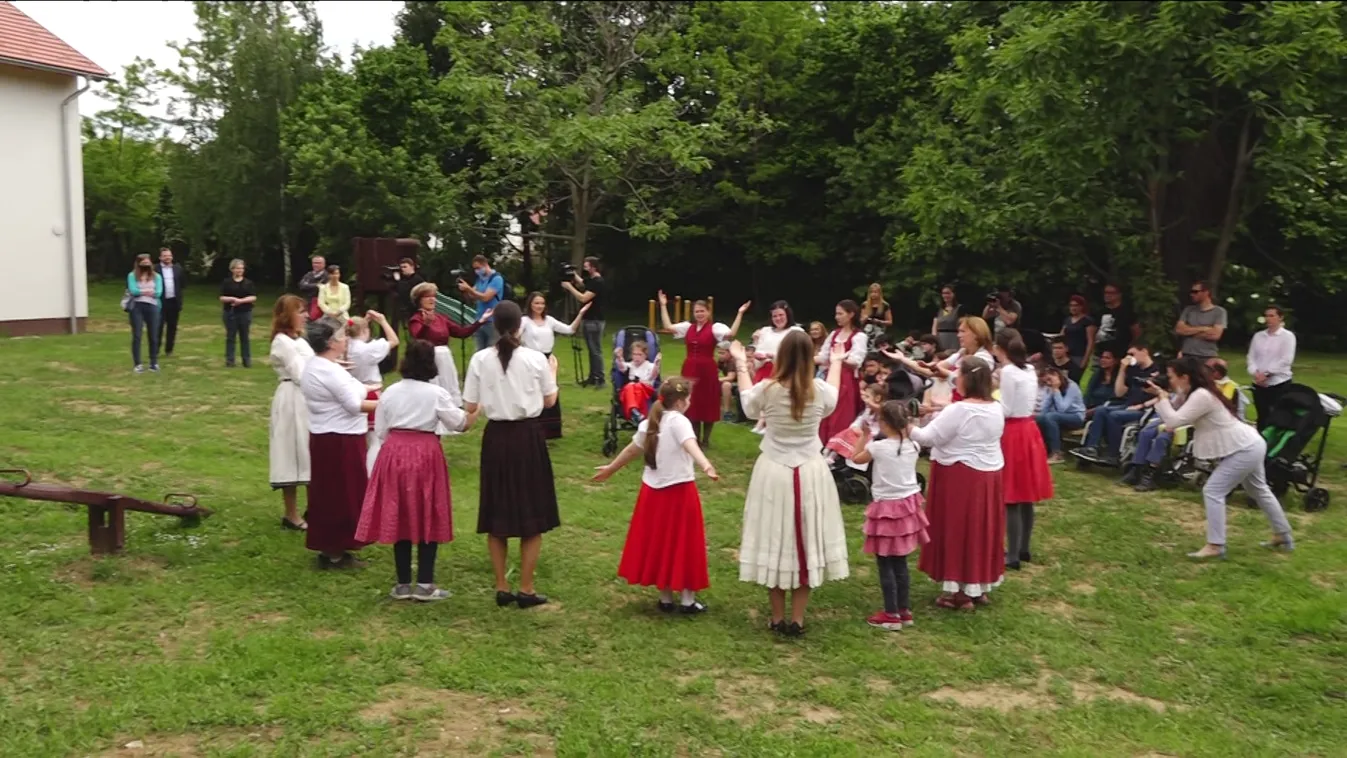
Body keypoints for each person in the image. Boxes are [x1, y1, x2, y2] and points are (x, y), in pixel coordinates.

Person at [730, 331, 850, 637]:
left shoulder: (769, 389)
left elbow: (746, 405)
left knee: (775, 536)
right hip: (809, 470)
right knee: (805, 539)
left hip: (774, 470)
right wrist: (836, 360)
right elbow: (834, 393)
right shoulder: (818, 390)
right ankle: (797, 619)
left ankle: (777, 617)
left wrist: (741, 363)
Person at [357, 340, 478, 602]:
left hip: (394, 451)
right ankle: (424, 583)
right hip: (425, 453)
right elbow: (459, 424)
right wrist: (475, 412)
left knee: (399, 513)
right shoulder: (436, 394)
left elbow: (380, 429)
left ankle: (402, 584)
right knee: (427, 513)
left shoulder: (390, 392)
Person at [1143, 357, 1294, 559]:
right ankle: (1282, 534)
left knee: (1213, 491)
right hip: (1248, 443)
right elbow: (1175, 411)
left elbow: (1173, 421)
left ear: (1184, 377)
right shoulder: (1192, 392)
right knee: (1258, 489)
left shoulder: (1201, 395)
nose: (1168, 379)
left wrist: (1161, 398)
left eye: (1170, 376)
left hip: (1244, 447)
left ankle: (1216, 545)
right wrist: (1164, 394)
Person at [462, 301, 560, 609]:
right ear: (520, 327)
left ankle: (502, 586)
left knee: (497, 513)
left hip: (497, 437)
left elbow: (469, 406)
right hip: (527, 436)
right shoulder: (534, 359)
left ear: (495, 326)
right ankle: (526, 588)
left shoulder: (480, 359)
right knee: (532, 513)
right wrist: (553, 373)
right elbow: (548, 401)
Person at [592, 377, 719, 614]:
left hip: (652, 493)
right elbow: (690, 444)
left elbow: (632, 450)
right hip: (680, 492)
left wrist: (611, 468)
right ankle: (688, 600)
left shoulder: (650, 422)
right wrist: (705, 464)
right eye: (689, 398)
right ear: (681, 402)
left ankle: (666, 597)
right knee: (685, 542)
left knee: (661, 542)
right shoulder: (679, 421)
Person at [910, 357, 1006, 610]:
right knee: (980, 528)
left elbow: (927, 437)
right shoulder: (996, 406)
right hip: (988, 476)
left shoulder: (960, 409)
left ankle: (960, 593)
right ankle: (978, 585)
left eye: (958, 374)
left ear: (968, 378)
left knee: (958, 529)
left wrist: (902, 423)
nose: (955, 378)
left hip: (959, 476)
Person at [300, 318, 378, 569]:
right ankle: (333, 550)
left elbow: (355, 390)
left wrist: (372, 388)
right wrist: (390, 404)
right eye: (343, 335)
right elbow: (354, 405)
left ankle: (339, 547)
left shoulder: (325, 366)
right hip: (337, 439)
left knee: (341, 492)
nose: (346, 339)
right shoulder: (327, 370)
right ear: (331, 342)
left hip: (336, 436)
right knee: (338, 495)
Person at [850, 402, 929, 631]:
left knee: (885, 561)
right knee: (901, 561)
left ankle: (891, 613)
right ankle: (904, 610)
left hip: (886, 508)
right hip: (908, 507)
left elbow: (856, 458)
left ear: (884, 423)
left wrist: (865, 436)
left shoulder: (878, 447)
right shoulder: (913, 445)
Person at [658, 291, 750, 448]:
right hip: (690, 368)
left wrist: (740, 314)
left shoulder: (715, 328)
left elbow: (731, 334)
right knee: (691, 402)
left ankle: (705, 440)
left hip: (706, 369)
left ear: (708, 312)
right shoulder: (688, 327)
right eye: (697, 311)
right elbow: (668, 327)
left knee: (707, 403)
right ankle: (693, 438)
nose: (699, 314)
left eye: (702, 311)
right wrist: (663, 305)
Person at [994, 329, 1053, 572]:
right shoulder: (1029, 368)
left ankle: (1013, 554)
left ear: (1001, 348)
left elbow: (1005, 408)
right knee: (1026, 494)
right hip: (1030, 429)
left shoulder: (1008, 371)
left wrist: (993, 392)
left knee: (1012, 495)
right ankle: (1024, 547)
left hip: (1014, 431)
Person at [407, 282, 491, 426]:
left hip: (444, 356)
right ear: (419, 299)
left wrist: (480, 322)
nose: (432, 299)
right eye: (427, 297)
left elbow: (461, 333)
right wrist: (426, 325)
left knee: (449, 385)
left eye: (433, 296)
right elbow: (417, 337)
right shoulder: (416, 319)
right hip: (427, 356)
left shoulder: (441, 318)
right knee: (432, 385)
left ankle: (451, 417)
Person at [268, 295, 313, 532]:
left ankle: (313, 508)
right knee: (291, 451)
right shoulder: (282, 341)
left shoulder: (301, 341)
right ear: (288, 315)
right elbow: (300, 372)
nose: (306, 316)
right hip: (291, 397)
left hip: (307, 399)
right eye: (301, 311)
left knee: (309, 449)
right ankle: (291, 514)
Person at [520, 292, 591, 439]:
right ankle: (533, 427)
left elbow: (570, 330)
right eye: (536, 303)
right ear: (530, 305)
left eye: (542, 303)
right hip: (531, 359)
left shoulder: (549, 320)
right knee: (534, 392)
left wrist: (580, 314)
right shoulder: (525, 321)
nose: (539, 306)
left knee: (550, 390)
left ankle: (551, 430)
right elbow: (514, 336)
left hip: (547, 359)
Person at [1081, 341, 1163, 464]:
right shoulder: (1133, 370)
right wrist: (1122, 369)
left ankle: (1114, 453)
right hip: (1127, 405)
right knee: (1101, 410)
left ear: (1144, 352)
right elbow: (1119, 393)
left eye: (1132, 354)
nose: (1129, 357)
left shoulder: (1157, 371)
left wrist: (1142, 405)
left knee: (1115, 415)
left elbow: (1163, 395)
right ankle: (1091, 447)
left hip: (1144, 410)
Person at [890, 316, 994, 404]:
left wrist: (938, 371)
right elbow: (931, 370)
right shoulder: (961, 352)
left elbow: (957, 378)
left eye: (962, 331)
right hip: (957, 402)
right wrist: (903, 359)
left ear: (976, 334)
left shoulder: (984, 358)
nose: (958, 335)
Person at [345, 311, 400, 471]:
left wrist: (362, 321)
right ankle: (370, 474)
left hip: (350, 390)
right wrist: (382, 321)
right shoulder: (369, 349)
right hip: (370, 391)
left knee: (357, 437)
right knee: (374, 438)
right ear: (364, 331)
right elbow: (394, 340)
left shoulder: (344, 346)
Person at [814, 300, 868, 443]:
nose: (836, 317)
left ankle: (838, 447)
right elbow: (823, 357)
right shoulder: (834, 334)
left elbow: (856, 361)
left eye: (840, 314)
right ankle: (822, 443)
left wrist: (838, 359)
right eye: (836, 313)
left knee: (841, 414)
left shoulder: (859, 336)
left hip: (847, 381)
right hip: (830, 377)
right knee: (826, 410)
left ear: (851, 315)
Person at [1119, 384, 1186, 492]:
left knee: (1161, 438)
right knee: (1146, 432)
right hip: (1168, 418)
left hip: (1183, 421)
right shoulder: (1179, 389)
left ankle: (1149, 475)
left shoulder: (1195, 392)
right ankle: (1137, 468)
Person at [1247, 305, 1296, 431]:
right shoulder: (1258, 336)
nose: (1268, 319)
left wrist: (1267, 374)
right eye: (1266, 316)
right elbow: (1251, 357)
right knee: (1262, 414)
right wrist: (1256, 373)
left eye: (1272, 316)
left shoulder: (1287, 336)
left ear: (1280, 317)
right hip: (1259, 382)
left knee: (1276, 415)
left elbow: (1286, 359)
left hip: (1278, 382)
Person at [561, 256, 607, 387]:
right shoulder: (592, 280)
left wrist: (569, 287)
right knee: (592, 349)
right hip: (590, 319)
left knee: (595, 350)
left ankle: (600, 378)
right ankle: (593, 376)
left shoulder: (598, 282)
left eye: (587, 266)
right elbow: (582, 283)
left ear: (593, 267)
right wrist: (572, 273)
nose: (585, 269)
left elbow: (583, 298)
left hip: (595, 320)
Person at [824, 383, 886, 471]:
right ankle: (832, 454)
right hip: (863, 433)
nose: (865, 400)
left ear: (877, 398)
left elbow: (878, 426)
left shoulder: (881, 411)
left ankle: (835, 456)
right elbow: (860, 420)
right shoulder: (867, 410)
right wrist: (854, 427)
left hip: (872, 436)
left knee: (852, 436)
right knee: (848, 432)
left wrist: (865, 433)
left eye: (868, 397)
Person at [1035, 365, 1085, 464]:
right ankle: (1043, 449)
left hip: (1075, 416)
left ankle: (1057, 453)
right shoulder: (1050, 387)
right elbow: (1044, 408)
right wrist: (1037, 417)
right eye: (1046, 382)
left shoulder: (1072, 386)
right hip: (1057, 416)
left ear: (1056, 375)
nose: (1048, 383)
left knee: (1050, 416)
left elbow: (1062, 409)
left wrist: (1056, 389)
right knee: (1040, 418)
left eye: (1050, 379)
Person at [457, 255, 505, 351]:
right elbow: (472, 296)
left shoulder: (496, 279)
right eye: (475, 269)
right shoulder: (480, 279)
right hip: (479, 320)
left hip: (492, 321)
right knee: (479, 352)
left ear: (485, 264)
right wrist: (465, 290)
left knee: (492, 351)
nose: (477, 271)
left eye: (478, 268)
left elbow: (486, 297)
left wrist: (469, 289)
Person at [126, 254, 164, 373]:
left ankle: (154, 362)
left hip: (153, 306)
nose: (146, 265)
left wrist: (144, 292)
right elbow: (134, 291)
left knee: (153, 335)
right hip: (137, 306)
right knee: (137, 335)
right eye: (144, 263)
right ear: (138, 264)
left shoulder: (156, 276)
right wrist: (147, 291)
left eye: (148, 263)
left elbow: (158, 293)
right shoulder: (132, 276)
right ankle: (138, 364)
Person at [750, 301, 803, 383]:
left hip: (786, 373)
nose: (778, 318)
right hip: (764, 373)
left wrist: (774, 357)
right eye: (775, 316)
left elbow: (798, 355)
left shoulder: (796, 331)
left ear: (788, 315)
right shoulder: (765, 331)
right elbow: (759, 349)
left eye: (781, 315)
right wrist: (757, 352)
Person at [220, 259, 258, 369]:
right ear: (232, 269)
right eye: (237, 268)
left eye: (241, 268)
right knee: (230, 337)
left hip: (245, 313)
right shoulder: (227, 282)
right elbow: (222, 297)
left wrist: (241, 301)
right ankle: (230, 361)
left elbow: (253, 297)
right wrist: (232, 299)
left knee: (244, 337)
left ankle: (246, 361)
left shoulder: (248, 283)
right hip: (230, 313)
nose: (240, 270)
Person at [1175, 280, 1227, 359]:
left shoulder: (1219, 311)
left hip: (1207, 356)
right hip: (1186, 354)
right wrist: (1204, 328)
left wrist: (1189, 331)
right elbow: (1179, 330)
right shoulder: (1188, 310)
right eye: (1191, 292)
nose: (1192, 294)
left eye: (1195, 292)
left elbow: (1215, 335)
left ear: (1206, 292)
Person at [614, 340, 661, 425]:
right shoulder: (630, 365)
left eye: (640, 354)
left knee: (635, 386)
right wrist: (619, 357)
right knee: (630, 386)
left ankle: (633, 412)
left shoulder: (650, 366)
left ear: (645, 355)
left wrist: (657, 364)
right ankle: (635, 412)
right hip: (632, 390)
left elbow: (653, 376)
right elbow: (622, 367)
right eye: (634, 354)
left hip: (646, 389)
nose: (636, 357)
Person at [1095, 282, 1141, 365]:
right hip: (1100, 354)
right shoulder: (1100, 312)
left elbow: (1136, 333)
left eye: (1110, 293)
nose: (1107, 295)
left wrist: (1130, 350)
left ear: (1119, 295)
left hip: (1121, 355)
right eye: (1105, 292)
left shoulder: (1127, 312)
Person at [156, 247, 186, 357]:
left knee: (172, 327)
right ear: (160, 257)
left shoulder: (178, 269)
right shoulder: (155, 269)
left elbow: (182, 285)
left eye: (169, 255)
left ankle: (169, 350)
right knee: (158, 326)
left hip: (174, 302)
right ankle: (156, 349)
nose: (167, 257)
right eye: (165, 256)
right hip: (160, 302)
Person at [1060, 294, 1097, 368]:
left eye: (1076, 305)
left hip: (1080, 355)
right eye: (1071, 305)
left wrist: (1085, 360)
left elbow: (1091, 342)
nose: (1073, 308)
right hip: (1067, 355)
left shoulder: (1088, 321)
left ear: (1081, 307)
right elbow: (1061, 336)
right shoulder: (1067, 320)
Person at [1083, 348, 1121, 416]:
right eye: (1102, 357)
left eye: (1107, 358)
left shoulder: (1119, 378)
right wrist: (1083, 408)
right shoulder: (1097, 374)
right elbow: (1088, 393)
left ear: (1116, 361)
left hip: (1105, 409)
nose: (1103, 360)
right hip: (1090, 407)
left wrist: (1092, 411)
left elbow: (1114, 400)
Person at [392, 257, 426, 325]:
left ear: (412, 267)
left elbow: (404, 291)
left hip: (417, 310)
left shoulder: (418, 279)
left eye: (405, 267)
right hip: (409, 310)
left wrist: (398, 280)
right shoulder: (404, 280)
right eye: (401, 267)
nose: (402, 269)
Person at [932, 284, 963, 353]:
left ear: (953, 294)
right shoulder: (939, 309)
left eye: (948, 293)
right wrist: (934, 340)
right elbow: (935, 326)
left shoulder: (959, 309)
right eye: (944, 293)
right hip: (940, 338)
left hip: (954, 338)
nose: (945, 295)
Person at [298, 255, 328, 320]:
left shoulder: (327, 276)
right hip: (307, 303)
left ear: (324, 264)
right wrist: (316, 285)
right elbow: (301, 286)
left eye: (318, 263)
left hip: (320, 305)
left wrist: (308, 285)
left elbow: (322, 289)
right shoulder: (308, 275)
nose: (316, 265)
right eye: (314, 263)